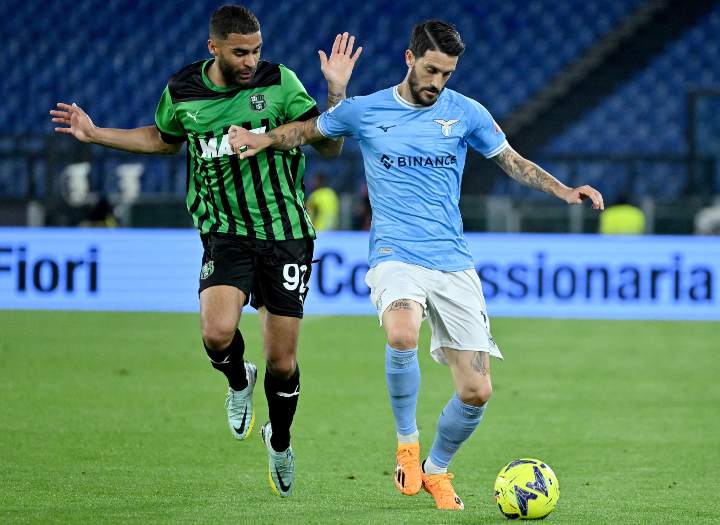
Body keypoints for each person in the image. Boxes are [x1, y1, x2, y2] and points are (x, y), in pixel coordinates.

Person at [229, 20, 604, 510]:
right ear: (410, 59)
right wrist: (265, 138)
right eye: (431, 70)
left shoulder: (466, 112)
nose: (437, 83)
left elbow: (510, 159)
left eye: (446, 74)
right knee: (402, 334)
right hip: (395, 255)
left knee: (477, 391)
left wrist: (562, 189)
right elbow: (309, 131)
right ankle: (407, 444)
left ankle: (436, 469)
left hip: (452, 263)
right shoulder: (366, 111)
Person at [50, 4, 361, 498]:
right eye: (241, 52)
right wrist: (97, 134)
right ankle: (239, 381)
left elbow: (329, 146)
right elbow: (162, 138)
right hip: (224, 232)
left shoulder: (280, 82)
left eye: (256, 50)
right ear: (213, 48)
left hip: (285, 234)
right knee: (218, 335)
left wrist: (334, 93)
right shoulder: (183, 91)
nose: (251, 60)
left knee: (283, 363)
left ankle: (279, 441)